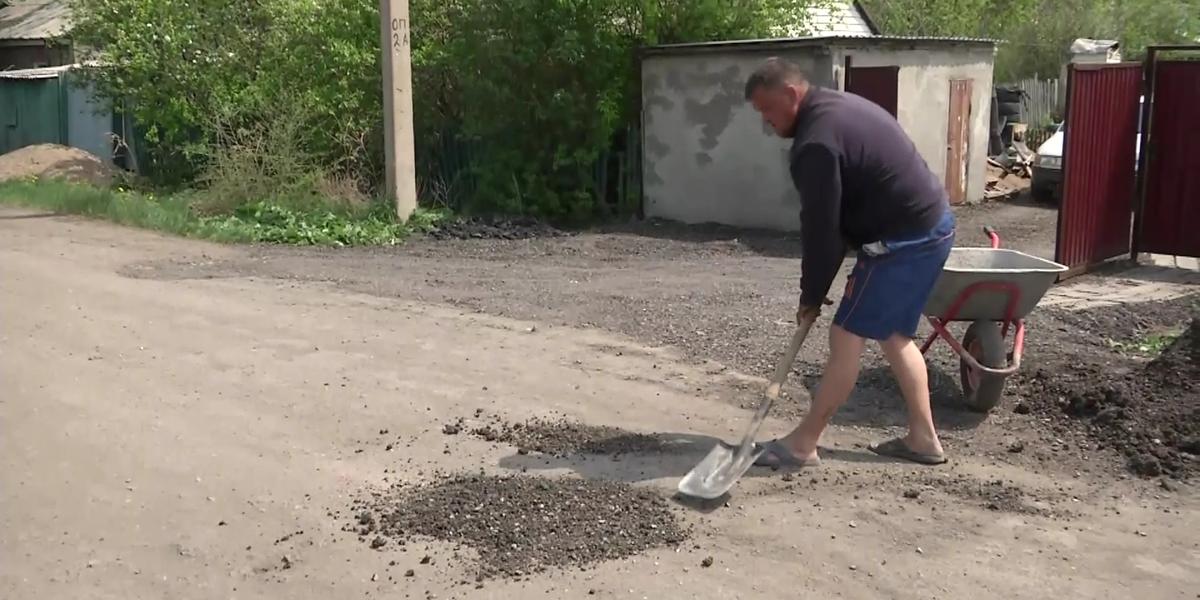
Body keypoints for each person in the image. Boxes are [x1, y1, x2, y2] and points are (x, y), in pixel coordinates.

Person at [743, 57, 956, 468]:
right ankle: (923, 438)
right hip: (932, 225)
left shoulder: (815, 144)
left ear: (791, 94)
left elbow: (822, 230)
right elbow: (837, 224)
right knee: (893, 335)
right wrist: (816, 290)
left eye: (768, 110)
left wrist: (811, 296)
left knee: (845, 336)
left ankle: (803, 443)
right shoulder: (834, 107)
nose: (767, 123)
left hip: (903, 239)